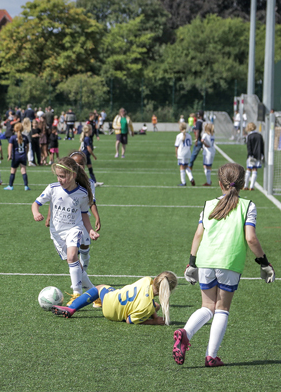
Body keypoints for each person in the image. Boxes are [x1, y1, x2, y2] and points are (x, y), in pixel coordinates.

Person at [175, 163, 275, 367]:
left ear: (220, 183)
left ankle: (185, 333)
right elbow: (251, 239)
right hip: (229, 263)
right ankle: (211, 356)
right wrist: (264, 263)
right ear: (243, 183)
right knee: (221, 309)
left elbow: (198, 234)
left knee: (207, 307)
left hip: (204, 261)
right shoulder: (248, 205)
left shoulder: (208, 204)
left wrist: (192, 264)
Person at [31, 157, 99, 304]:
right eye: (58, 176)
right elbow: (36, 204)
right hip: (57, 233)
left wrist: (90, 230)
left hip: (74, 229)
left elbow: (84, 215)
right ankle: (96, 295)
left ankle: (77, 295)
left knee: (72, 256)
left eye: (62, 176)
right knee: (76, 266)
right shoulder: (52, 188)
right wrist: (36, 213)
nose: (59, 179)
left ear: (73, 175)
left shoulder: (82, 193)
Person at [51, 271, 177, 325]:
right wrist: (154, 320)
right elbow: (130, 320)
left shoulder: (146, 280)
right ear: (168, 292)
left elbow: (145, 294)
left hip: (110, 299)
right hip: (112, 315)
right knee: (155, 306)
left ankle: (72, 308)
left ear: (155, 279)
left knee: (99, 288)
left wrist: (154, 312)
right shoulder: (147, 308)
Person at [69, 151, 102, 306]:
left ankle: (82, 278)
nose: (79, 166)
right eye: (75, 164)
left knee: (85, 249)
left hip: (83, 220)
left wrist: (97, 217)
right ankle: (82, 283)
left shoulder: (89, 183)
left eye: (81, 164)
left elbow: (91, 202)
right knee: (73, 254)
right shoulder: (66, 181)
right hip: (69, 223)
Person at [4, 123, 30, 191]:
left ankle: (10, 185)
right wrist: (26, 153)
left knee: (13, 171)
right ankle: (26, 186)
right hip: (23, 155)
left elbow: (10, 147)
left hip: (16, 156)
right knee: (23, 170)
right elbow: (28, 147)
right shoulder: (25, 137)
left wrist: (9, 155)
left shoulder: (12, 137)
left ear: (15, 129)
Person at [243, 122, 264, 191]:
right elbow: (262, 145)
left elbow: (249, 147)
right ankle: (252, 186)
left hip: (251, 155)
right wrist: (262, 154)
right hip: (258, 155)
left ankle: (246, 185)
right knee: (255, 169)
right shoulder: (259, 135)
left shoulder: (249, 136)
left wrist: (250, 154)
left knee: (248, 169)